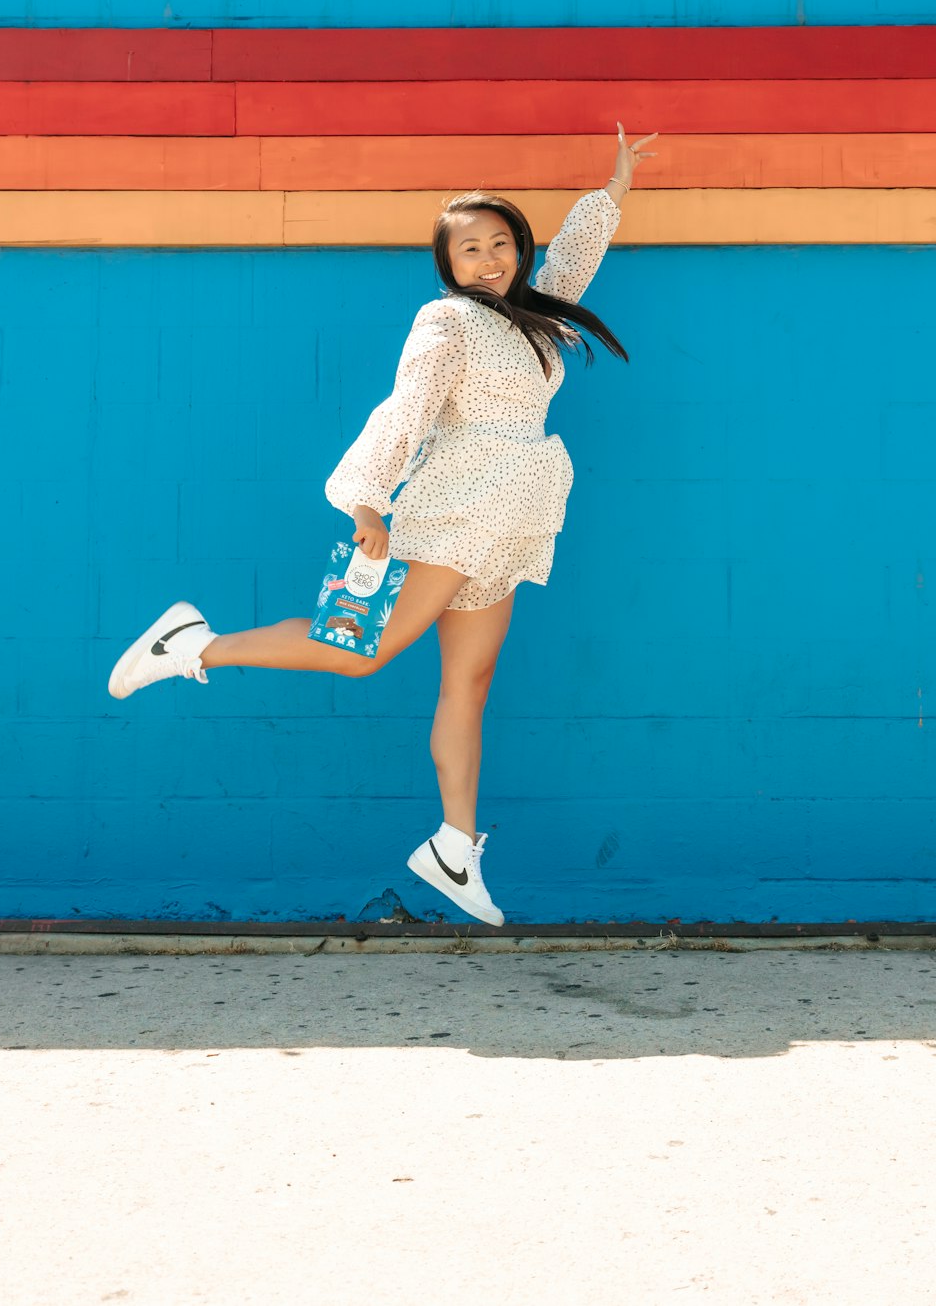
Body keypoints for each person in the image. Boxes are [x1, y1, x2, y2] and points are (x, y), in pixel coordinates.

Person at [107, 120, 659, 926]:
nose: (489, 259)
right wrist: (366, 497)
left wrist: (614, 187)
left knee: (469, 681)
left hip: (511, 518)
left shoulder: (540, 317)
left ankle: (454, 845)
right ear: (447, 264)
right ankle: (192, 645)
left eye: (500, 243)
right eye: (470, 249)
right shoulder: (447, 322)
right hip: (456, 506)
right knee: (358, 651)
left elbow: (575, 260)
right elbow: (406, 408)